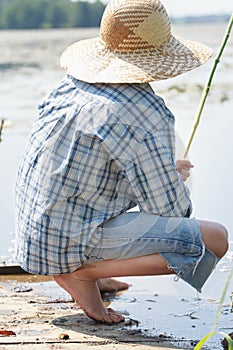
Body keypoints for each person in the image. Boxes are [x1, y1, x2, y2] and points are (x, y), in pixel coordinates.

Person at [15, 0, 228, 324]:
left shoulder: (72, 85)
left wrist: (162, 171)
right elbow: (172, 210)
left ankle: (94, 273)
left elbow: (87, 176)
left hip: (36, 237)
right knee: (216, 238)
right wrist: (171, 180)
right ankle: (85, 273)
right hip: (66, 242)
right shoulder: (144, 112)